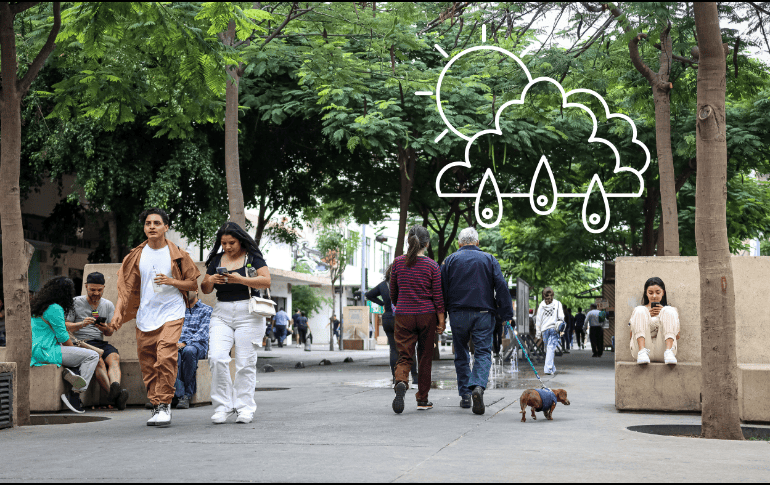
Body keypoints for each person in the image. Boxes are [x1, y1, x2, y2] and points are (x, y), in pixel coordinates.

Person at [110, 208, 200, 427]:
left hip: (172, 312)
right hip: (146, 316)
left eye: (157, 223)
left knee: (165, 356)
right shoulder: (135, 256)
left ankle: (164, 406)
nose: (152, 226)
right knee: (149, 363)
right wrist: (118, 312)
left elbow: (193, 284)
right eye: (148, 223)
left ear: (166, 227)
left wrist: (172, 282)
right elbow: (126, 288)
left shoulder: (178, 254)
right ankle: (156, 403)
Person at [201, 222, 271, 425]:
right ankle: (223, 406)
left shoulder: (252, 256)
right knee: (216, 357)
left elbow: (266, 280)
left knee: (245, 363)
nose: (228, 247)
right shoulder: (216, 259)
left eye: (231, 242)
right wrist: (212, 279)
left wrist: (240, 279)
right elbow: (205, 289)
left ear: (240, 240)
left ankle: (244, 408)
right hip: (222, 311)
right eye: (223, 243)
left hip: (248, 311)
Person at [441, 227, 513, 414]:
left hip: (457, 314)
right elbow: (502, 286)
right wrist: (506, 314)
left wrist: (442, 313)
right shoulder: (489, 259)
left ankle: (465, 395)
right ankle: (478, 387)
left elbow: (441, 289)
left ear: (459, 243)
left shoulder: (449, 260)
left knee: (461, 352)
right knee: (482, 353)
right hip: (483, 313)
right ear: (477, 242)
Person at [390, 225, 446, 414]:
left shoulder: (398, 263)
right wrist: (441, 321)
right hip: (427, 316)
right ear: (427, 244)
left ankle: (401, 381)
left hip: (404, 314)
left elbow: (393, 293)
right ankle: (422, 399)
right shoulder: (432, 265)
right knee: (424, 357)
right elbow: (438, 297)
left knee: (404, 355)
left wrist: (402, 305)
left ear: (408, 242)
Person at [31, 276, 100, 414]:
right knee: (92, 356)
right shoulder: (55, 308)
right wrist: (75, 351)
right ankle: (74, 395)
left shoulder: (38, 306)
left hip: (37, 350)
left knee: (79, 356)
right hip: (48, 351)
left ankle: (73, 372)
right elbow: (63, 337)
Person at [66, 272, 129, 410]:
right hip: (81, 341)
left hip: (99, 341)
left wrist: (105, 328)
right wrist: (81, 324)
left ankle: (115, 389)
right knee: (98, 360)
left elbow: (110, 332)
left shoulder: (108, 305)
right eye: (92, 290)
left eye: (99, 290)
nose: (96, 293)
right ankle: (116, 397)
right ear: (86, 286)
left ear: (104, 288)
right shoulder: (75, 302)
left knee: (114, 358)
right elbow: (65, 325)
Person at [366, 266, 418, 386]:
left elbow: (369, 295)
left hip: (387, 318)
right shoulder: (403, 283)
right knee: (409, 348)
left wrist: (382, 303)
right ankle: (415, 377)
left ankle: (396, 378)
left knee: (394, 349)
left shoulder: (383, 285)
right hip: (402, 318)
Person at [174, 290, 212, 409]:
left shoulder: (206, 309)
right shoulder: (177, 310)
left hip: (197, 345)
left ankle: (187, 395)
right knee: (171, 354)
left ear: (196, 291)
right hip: (178, 344)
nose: (185, 293)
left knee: (188, 351)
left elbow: (203, 333)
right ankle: (176, 394)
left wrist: (185, 343)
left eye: (188, 290)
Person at [629, 277, 680, 365]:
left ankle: (669, 352)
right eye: (650, 293)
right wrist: (646, 316)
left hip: (663, 351)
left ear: (663, 292)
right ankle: (642, 351)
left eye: (658, 292)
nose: (654, 296)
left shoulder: (671, 311)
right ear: (646, 293)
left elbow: (677, 336)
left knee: (669, 309)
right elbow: (631, 335)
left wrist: (663, 313)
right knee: (640, 309)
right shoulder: (639, 311)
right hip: (641, 351)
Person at [535, 287, 564, 376]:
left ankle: (552, 368)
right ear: (553, 295)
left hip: (544, 330)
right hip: (554, 329)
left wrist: (538, 332)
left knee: (549, 349)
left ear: (544, 295)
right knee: (551, 349)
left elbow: (538, 319)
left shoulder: (541, 305)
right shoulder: (557, 303)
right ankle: (548, 369)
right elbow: (561, 317)